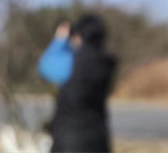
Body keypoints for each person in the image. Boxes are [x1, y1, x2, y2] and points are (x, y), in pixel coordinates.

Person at [38, 14, 118, 153]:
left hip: (69, 141)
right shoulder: (107, 64)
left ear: (78, 36)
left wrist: (60, 40)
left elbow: (45, 66)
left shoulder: (71, 63)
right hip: (99, 140)